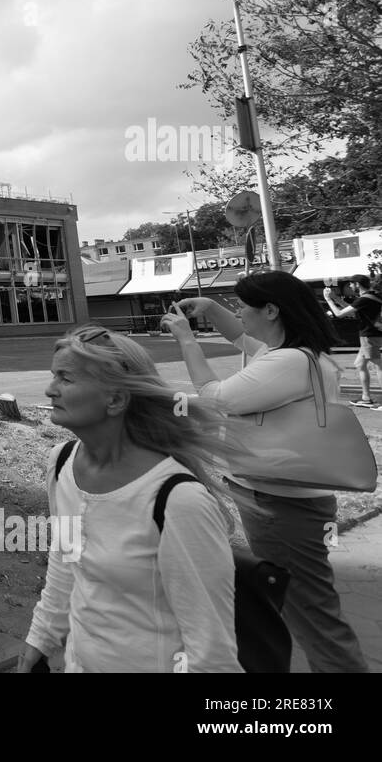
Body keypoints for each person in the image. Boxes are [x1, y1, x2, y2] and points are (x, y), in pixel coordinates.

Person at [161, 271, 369, 672]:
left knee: (311, 614)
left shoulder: (288, 361)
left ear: (271, 310)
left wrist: (187, 338)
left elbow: (217, 398)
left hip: (281, 505)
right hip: (285, 499)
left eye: (244, 306)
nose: (239, 314)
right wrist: (211, 309)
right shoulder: (298, 354)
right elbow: (241, 337)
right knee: (305, 606)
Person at [20, 324, 242, 673]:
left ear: (116, 399)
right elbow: (67, 558)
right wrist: (42, 636)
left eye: (65, 378)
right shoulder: (62, 462)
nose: (50, 390)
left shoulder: (178, 501)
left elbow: (212, 654)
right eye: (53, 376)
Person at [324, 274, 382, 408]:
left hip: (369, 336)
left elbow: (339, 314)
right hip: (374, 334)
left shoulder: (364, 299)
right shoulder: (372, 297)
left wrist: (329, 300)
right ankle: (366, 398)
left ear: (357, 284)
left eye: (351, 284)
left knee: (379, 366)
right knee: (360, 365)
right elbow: (352, 311)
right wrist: (336, 298)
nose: (349, 286)